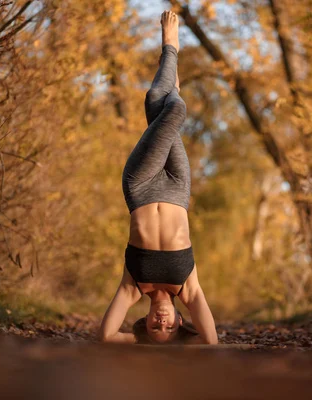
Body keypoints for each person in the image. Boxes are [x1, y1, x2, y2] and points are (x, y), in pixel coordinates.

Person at [97, 10, 218, 345]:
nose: (161, 323)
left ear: (144, 322)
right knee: (161, 105)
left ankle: (171, 50)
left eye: (154, 328)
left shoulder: (133, 286)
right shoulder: (188, 287)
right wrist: (179, 348)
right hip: (179, 188)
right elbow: (211, 344)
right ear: (182, 320)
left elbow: (106, 337)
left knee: (169, 108)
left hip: (141, 186)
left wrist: (139, 343)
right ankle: (172, 77)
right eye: (170, 329)